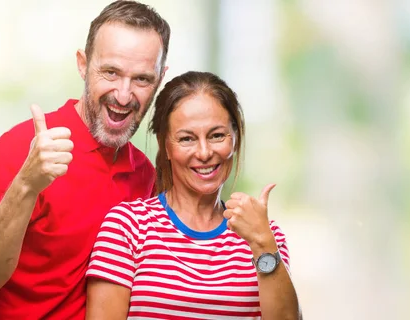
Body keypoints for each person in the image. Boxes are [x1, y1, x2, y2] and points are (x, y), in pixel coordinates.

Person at [0, 1, 170, 319]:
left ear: (160, 77)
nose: (124, 95)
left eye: (142, 79)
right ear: (83, 65)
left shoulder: (146, 176)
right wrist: (26, 185)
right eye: (110, 72)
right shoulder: (17, 151)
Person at [85, 71, 301, 319]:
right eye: (187, 138)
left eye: (217, 135)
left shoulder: (265, 236)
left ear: (235, 139)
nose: (204, 152)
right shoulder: (127, 227)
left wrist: (263, 243)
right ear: (165, 145)